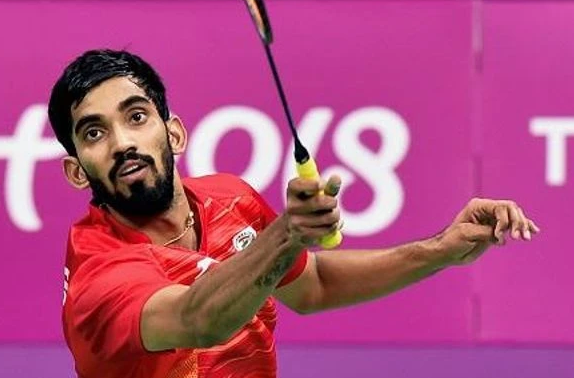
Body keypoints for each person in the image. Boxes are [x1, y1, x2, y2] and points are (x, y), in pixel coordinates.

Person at [47, 49, 539, 378]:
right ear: (75, 171)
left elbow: (313, 285)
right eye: (94, 133)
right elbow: (200, 319)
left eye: (136, 117)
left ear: (174, 133)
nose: (123, 142)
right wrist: (287, 234)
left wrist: (441, 250)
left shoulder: (229, 199)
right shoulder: (98, 275)